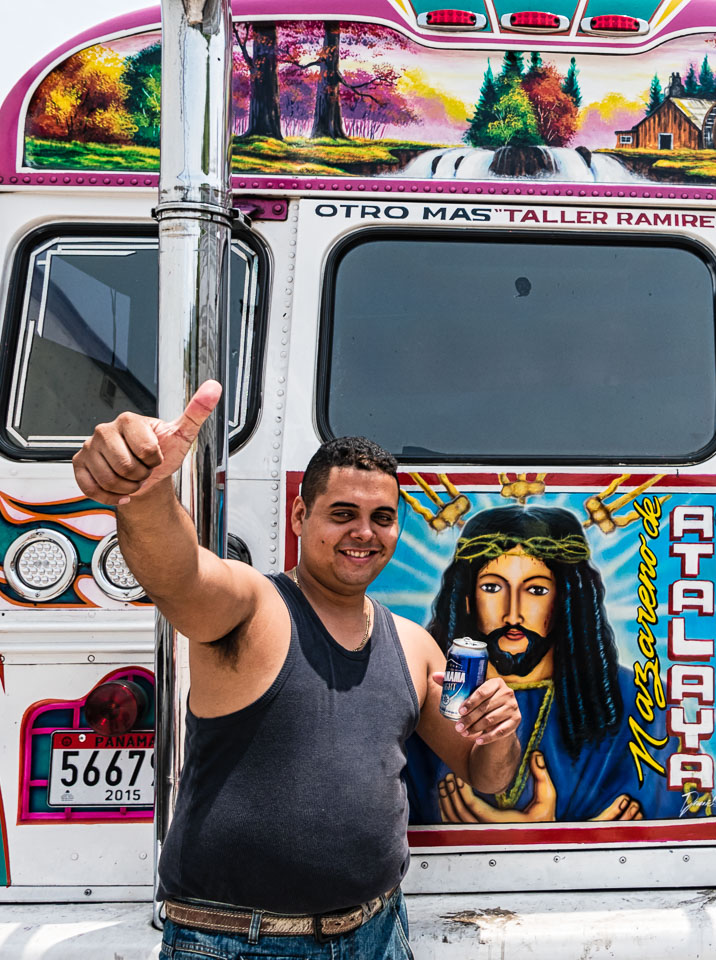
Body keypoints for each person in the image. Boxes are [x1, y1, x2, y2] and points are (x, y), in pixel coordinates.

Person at [71, 380, 521, 960]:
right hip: (236, 943)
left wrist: (500, 733)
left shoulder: (415, 646)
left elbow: (486, 776)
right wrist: (149, 496)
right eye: (343, 514)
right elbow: (180, 577)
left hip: (378, 933)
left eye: (382, 517)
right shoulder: (254, 607)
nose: (365, 532)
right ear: (300, 515)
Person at [405, 504, 674, 824]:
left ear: (565, 598)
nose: (513, 613)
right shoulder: (430, 691)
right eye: (492, 587)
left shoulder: (635, 699)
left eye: (536, 590)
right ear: (467, 596)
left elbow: (659, 818)